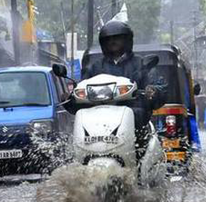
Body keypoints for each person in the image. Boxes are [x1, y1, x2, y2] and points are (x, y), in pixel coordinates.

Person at [65, 21, 166, 154]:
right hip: (98, 122)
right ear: (103, 43)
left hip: (136, 119)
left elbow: (160, 87)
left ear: (127, 40)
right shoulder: (95, 67)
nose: (112, 42)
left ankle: (139, 164)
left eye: (117, 38)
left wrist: (153, 91)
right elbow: (81, 90)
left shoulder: (140, 64)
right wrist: (70, 98)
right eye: (108, 39)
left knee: (140, 141)